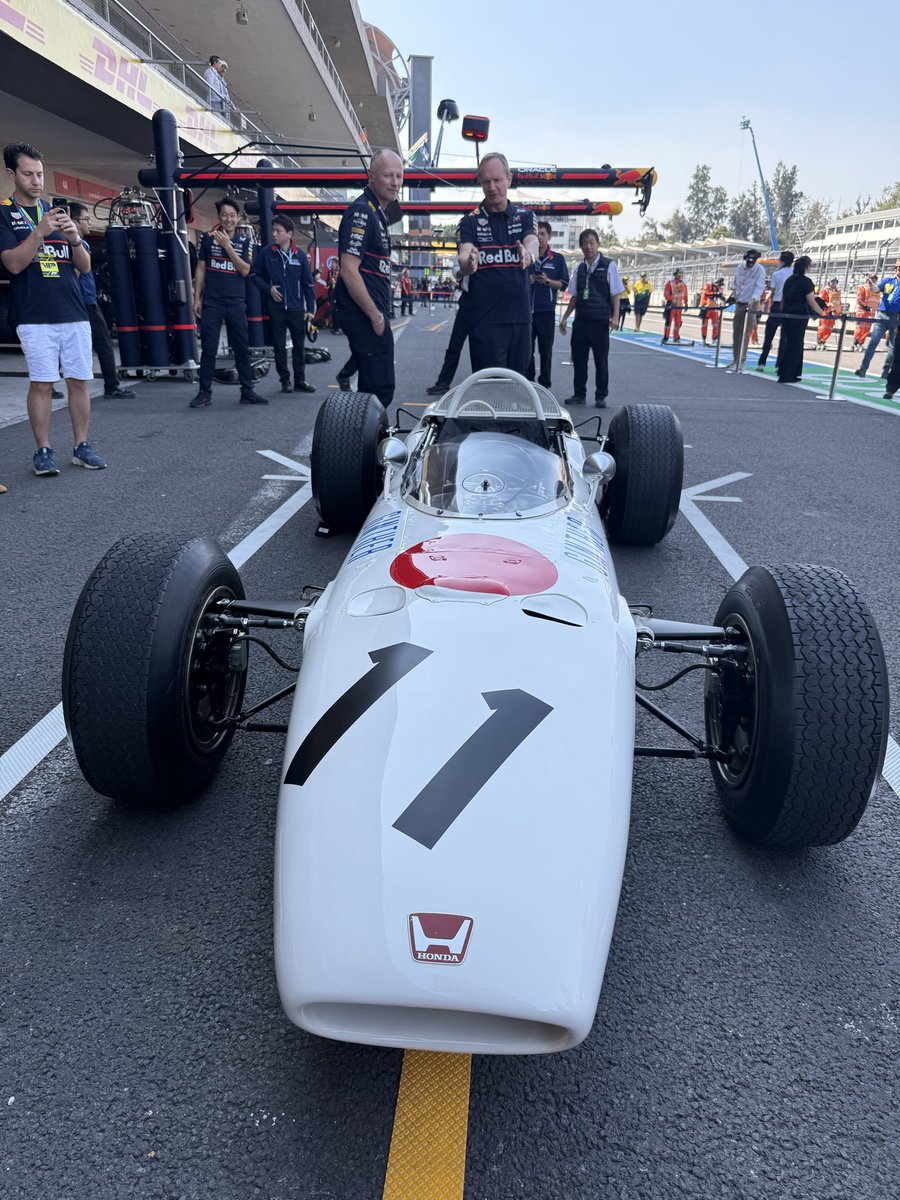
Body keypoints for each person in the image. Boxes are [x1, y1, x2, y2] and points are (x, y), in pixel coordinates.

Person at [0, 142, 106, 474]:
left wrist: (75, 238)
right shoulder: (4, 212)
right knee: (43, 383)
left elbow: (85, 267)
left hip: (74, 311)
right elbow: (13, 265)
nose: (36, 180)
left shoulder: (55, 211)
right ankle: (43, 450)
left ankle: (81, 446)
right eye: (28, 174)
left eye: (40, 174)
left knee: (78, 381)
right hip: (35, 314)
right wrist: (39, 233)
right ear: (10, 174)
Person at [333, 148, 403, 408]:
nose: (395, 182)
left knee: (375, 386)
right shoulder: (362, 212)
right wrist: (375, 316)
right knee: (379, 388)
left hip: (370, 310)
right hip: (363, 312)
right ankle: (365, 445)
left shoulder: (378, 213)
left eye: (399, 175)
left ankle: (364, 442)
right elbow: (349, 270)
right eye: (388, 176)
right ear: (371, 176)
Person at [457, 151, 538, 373]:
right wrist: (468, 263)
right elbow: (464, 252)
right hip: (485, 322)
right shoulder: (469, 221)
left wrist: (529, 254)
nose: (492, 187)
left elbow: (532, 241)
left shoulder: (524, 216)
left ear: (509, 179)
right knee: (489, 390)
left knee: (520, 388)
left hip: (520, 320)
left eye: (497, 180)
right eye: (486, 182)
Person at [191, 197, 263, 407]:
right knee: (209, 348)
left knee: (241, 348)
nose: (228, 219)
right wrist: (197, 298)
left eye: (232, 215)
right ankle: (205, 393)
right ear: (219, 217)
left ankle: (247, 391)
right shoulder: (207, 239)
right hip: (212, 302)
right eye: (224, 215)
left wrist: (228, 246)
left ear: (238, 218)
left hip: (236, 302)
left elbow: (245, 270)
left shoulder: (246, 242)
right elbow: (201, 268)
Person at [69, 203, 134, 399]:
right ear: (74, 222)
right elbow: (75, 274)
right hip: (83, 303)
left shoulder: (82, 244)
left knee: (85, 344)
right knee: (103, 343)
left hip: (86, 300)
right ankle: (111, 386)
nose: (89, 223)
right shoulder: (75, 245)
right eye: (86, 219)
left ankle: (111, 385)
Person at [250, 214, 316, 394]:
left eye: (278, 231)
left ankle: (300, 380)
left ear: (289, 233)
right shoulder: (266, 254)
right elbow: (253, 275)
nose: (274, 234)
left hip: (296, 309)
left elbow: (308, 285)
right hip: (276, 308)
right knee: (279, 347)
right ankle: (285, 380)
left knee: (299, 347)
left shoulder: (300, 256)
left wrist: (310, 309)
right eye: (273, 230)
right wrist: (268, 289)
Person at [558, 228, 623, 407]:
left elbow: (615, 293)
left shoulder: (609, 265)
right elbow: (574, 296)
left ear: (598, 244)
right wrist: (564, 318)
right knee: (579, 359)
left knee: (601, 360)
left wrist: (615, 316)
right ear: (580, 246)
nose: (588, 246)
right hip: (581, 321)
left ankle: (600, 396)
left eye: (592, 242)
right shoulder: (579, 269)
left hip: (600, 321)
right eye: (585, 243)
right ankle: (579, 394)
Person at [527, 220, 569, 388]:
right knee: (527, 350)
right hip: (527, 310)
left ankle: (545, 383)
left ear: (549, 237)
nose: (540, 237)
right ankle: (528, 381)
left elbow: (563, 284)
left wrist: (546, 281)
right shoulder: (527, 257)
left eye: (543, 234)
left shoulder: (557, 259)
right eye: (537, 235)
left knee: (546, 350)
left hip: (546, 311)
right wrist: (527, 281)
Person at [776, 256, 825, 383]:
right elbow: (811, 301)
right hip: (799, 315)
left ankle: (785, 371)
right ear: (806, 267)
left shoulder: (789, 280)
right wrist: (822, 313)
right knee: (796, 344)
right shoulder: (806, 282)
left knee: (789, 343)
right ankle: (789, 373)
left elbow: (783, 299)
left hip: (787, 313)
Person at [426, 258, 470, 395]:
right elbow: (457, 271)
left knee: (484, 347)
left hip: (487, 301)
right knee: (454, 345)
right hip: (468, 299)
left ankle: (487, 385)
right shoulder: (462, 253)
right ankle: (443, 382)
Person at [854, 260, 900, 378]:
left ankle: (885, 371)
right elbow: (876, 290)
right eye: (896, 267)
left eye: (899, 267)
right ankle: (863, 368)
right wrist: (871, 285)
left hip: (896, 318)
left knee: (893, 347)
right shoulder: (888, 281)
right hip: (882, 315)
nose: (898, 269)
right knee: (873, 342)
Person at [724, 248, 765, 370]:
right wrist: (734, 295)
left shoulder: (759, 270)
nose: (750, 264)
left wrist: (754, 298)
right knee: (736, 331)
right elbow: (736, 283)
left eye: (752, 262)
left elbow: (759, 286)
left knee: (746, 333)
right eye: (748, 262)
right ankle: (735, 358)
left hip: (751, 302)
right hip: (739, 301)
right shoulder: (740, 268)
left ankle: (741, 360)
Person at [756, 250, 794, 370]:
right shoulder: (795, 273)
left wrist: (768, 304)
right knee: (784, 338)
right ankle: (779, 365)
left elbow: (772, 292)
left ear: (781, 261)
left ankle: (762, 363)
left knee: (769, 336)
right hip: (789, 306)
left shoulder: (776, 274)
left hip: (777, 305)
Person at [853, 273, 880, 351]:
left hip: (871, 313)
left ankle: (861, 344)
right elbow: (859, 299)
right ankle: (855, 344)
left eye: (875, 278)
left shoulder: (877, 290)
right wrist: (865, 306)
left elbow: (877, 301)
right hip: (862, 311)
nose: (873, 280)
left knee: (866, 330)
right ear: (868, 279)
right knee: (859, 328)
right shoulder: (863, 287)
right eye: (872, 278)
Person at [662, 269, 688, 342]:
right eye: (679, 274)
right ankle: (666, 337)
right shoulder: (670, 283)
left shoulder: (683, 284)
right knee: (668, 322)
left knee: (678, 322)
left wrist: (686, 303)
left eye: (681, 274)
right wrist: (672, 299)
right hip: (671, 306)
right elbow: (666, 294)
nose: (680, 276)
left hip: (679, 306)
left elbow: (685, 295)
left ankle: (676, 337)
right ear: (675, 275)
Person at [815, 277, 842, 348]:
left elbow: (839, 301)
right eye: (832, 281)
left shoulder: (837, 291)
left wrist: (839, 309)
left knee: (829, 328)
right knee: (823, 327)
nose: (834, 283)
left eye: (835, 281)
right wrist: (828, 304)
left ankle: (823, 341)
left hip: (834, 312)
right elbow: (821, 301)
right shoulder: (825, 290)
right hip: (825, 311)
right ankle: (819, 342)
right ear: (829, 282)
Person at [699, 277, 725, 345]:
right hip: (706, 307)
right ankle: (703, 340)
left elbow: (721, 297)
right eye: (719, 285)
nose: (720, 287)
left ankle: (715, 339)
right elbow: (706, 294)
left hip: (714, 308)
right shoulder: (708, 285)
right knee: (705, 324)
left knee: (716, 325)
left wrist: (722, 298)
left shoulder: (719, 289)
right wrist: (715, 294)